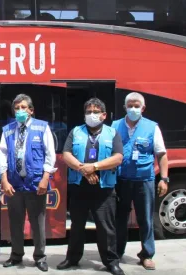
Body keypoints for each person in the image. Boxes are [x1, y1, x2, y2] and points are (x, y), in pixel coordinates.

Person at [58, 98, 124, 275]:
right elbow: (66, 154)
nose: (91, 115)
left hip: (104, 187)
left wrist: (94, 167)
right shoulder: (76, 132)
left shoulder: (112, 133)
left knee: (106, 227)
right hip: (79, 186)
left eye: (95, 112)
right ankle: (72, 258)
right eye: (88, 112)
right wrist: (83, 169)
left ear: (103, 115)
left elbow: (118, 157)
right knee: (77, 225)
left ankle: (111, 262)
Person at [0, 94, 56, 272]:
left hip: (36, 183)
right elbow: (2, 156)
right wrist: (4, 181)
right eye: (17, 108)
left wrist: (45, 179)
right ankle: (16, 255)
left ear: (31, 110)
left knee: (38, 223)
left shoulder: (42, 127)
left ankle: (39, 257)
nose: (20, 111)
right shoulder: (7, 129)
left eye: (24, 108)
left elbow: (50, 155)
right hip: (14, 184)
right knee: (15, 222)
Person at [112, 92, 169, 270]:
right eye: (130, 105)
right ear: (125, 107)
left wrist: (164, 179)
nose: (133, 109)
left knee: (145, 219)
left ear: (143, 108)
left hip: (144, 181)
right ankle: (117, 253)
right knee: (119, 219)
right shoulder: (115, 126)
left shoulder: (152, 127)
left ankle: (147, 255)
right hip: (121, 180)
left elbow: (162, 155)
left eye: (137, 106)